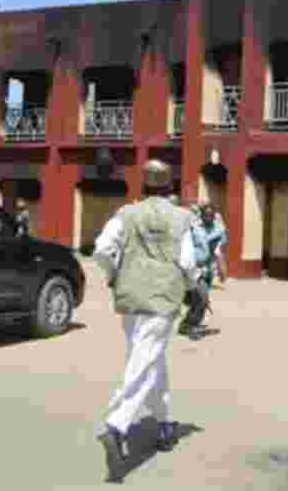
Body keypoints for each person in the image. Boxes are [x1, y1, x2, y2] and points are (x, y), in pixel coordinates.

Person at [92, 159, 204, 483]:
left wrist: (113, 275)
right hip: (162, 301)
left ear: (143, 186)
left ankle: (165, 421)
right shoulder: (181, 217)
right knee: (145, 358)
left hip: (129, 299)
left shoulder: (126, 214)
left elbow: (101, 250)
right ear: (170, 187)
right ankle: (116, 425)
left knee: (148, 358)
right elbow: (186, 261)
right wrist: (197, 287)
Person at [178, 204, 213, 338]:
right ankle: (188, 325)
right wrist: (195, 274)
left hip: (195, 269)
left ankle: (189, 324)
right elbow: (186, 257)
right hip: (189, 270)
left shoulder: (197, 229)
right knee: (201, 296)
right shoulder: (185, 231)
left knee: (200, 297)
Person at [199, 203, 228, 288]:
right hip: (201, 248)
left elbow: (223, 238)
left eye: (210, 215)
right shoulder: (197, 224)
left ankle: (219, 274)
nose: (208, 217)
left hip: (213, 247)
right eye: (206, 215)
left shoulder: (218, 227)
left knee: (217, 257)